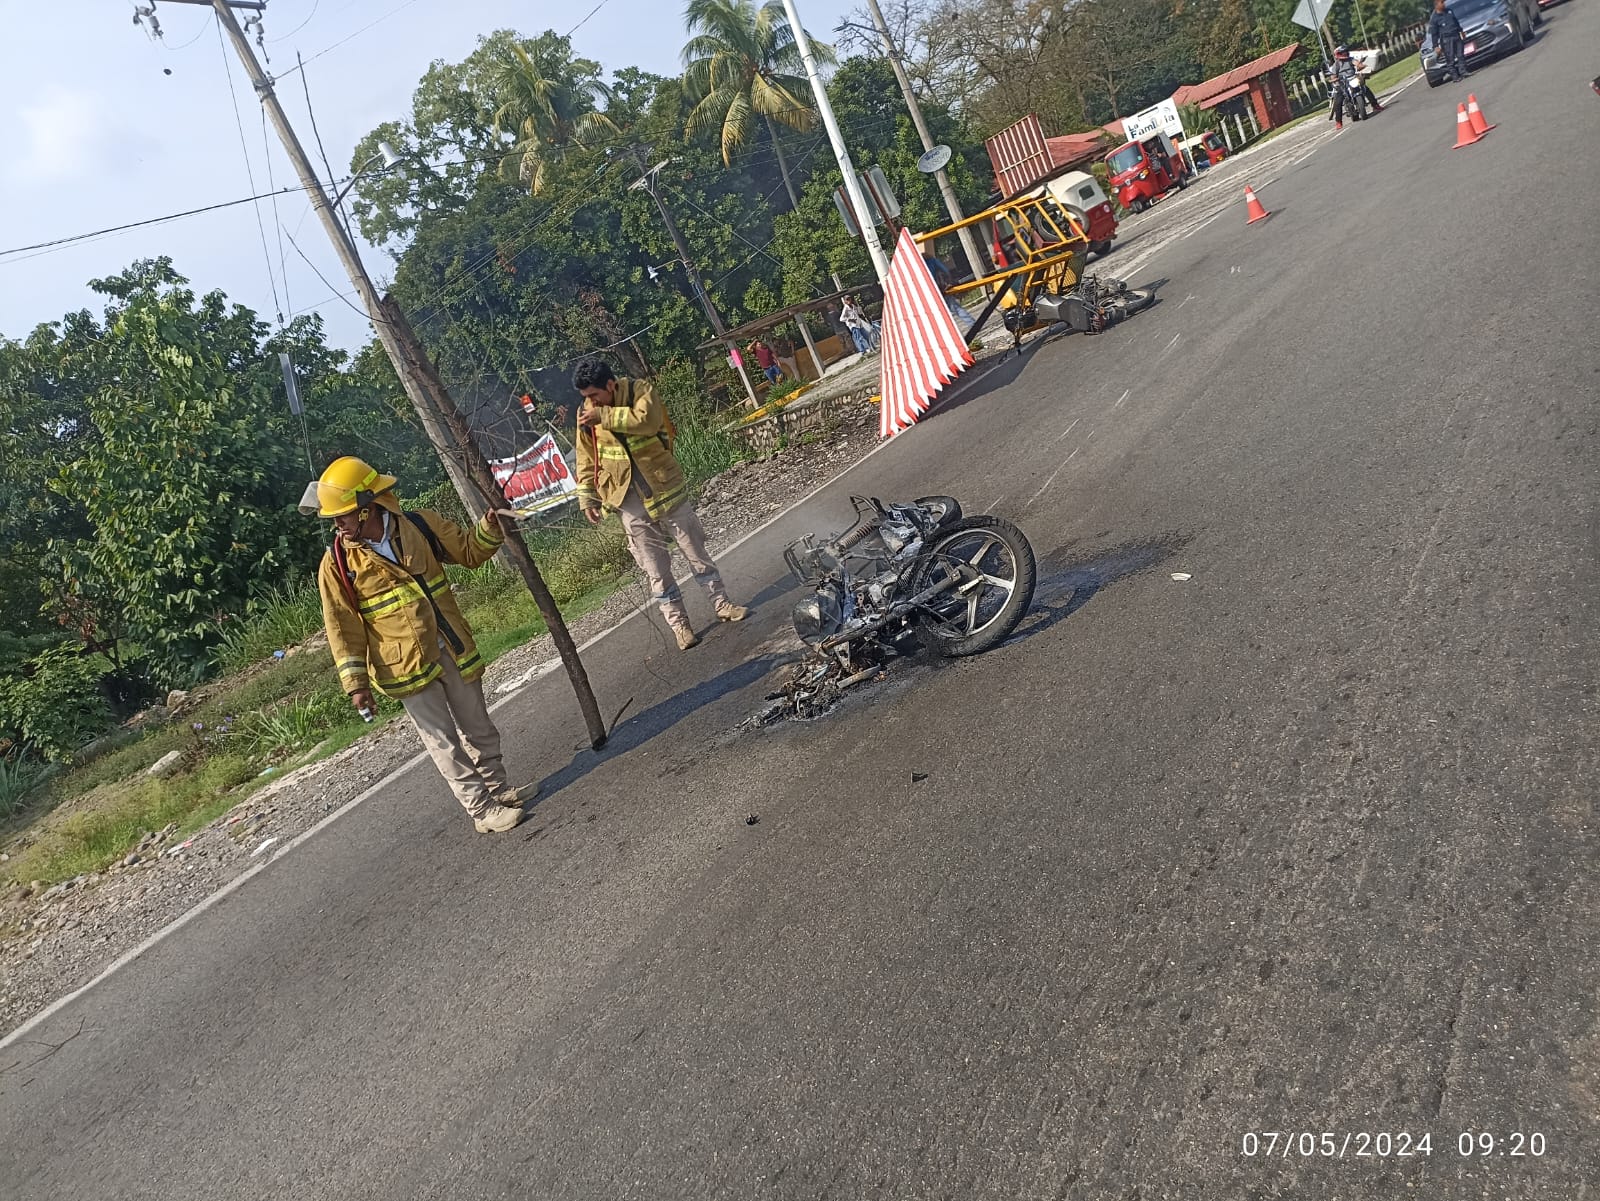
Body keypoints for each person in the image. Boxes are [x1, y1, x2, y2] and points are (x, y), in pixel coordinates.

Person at [304, 456, 526, 834]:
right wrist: (356, 685)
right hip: (404, 665)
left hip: (449, 642)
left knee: (479, 726)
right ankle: (482, 811)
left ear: (365, 507)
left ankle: (498, 789)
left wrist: (490, 526)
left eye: (342, 515)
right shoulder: (337, 562)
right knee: (444, 743)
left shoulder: (420, 525)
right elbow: (341, 627)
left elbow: (470, 553)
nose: (337, 525)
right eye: (334, 518)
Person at [571, 357, 749, 651]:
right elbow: (585, 456)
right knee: (656, 569)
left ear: (611, 385)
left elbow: (647, 421)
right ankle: (680, 627)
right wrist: (586, 496)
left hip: (666, 486)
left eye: (594, 395)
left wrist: (606, 417)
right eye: (586, 398)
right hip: (627, 499)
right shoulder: (585, 414)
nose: (590, 403)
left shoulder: (641, 391)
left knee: (695, 551)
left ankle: (723, 605)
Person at [923, 253, 977, 334]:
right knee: (955, 308)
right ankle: (972, 323)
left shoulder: (919, 266)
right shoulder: (933, 261)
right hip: (942, 288)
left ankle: (946, 333)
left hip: (929, 291)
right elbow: (945, 271)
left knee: (936, 313)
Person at [1427, 0, 1468, 82]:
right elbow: (1434, 34)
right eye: (1441, 2)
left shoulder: (1449, 11)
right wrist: (1435, 46)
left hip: (1456, 35)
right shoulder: (1434, 18)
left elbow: (1456, 22)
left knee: (1460, 55)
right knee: (1450, 59)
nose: (1444, 4)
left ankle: (1463, 71)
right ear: (1436, 5)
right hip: (1447, 39)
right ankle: (1455, 76)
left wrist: (1461, 31)